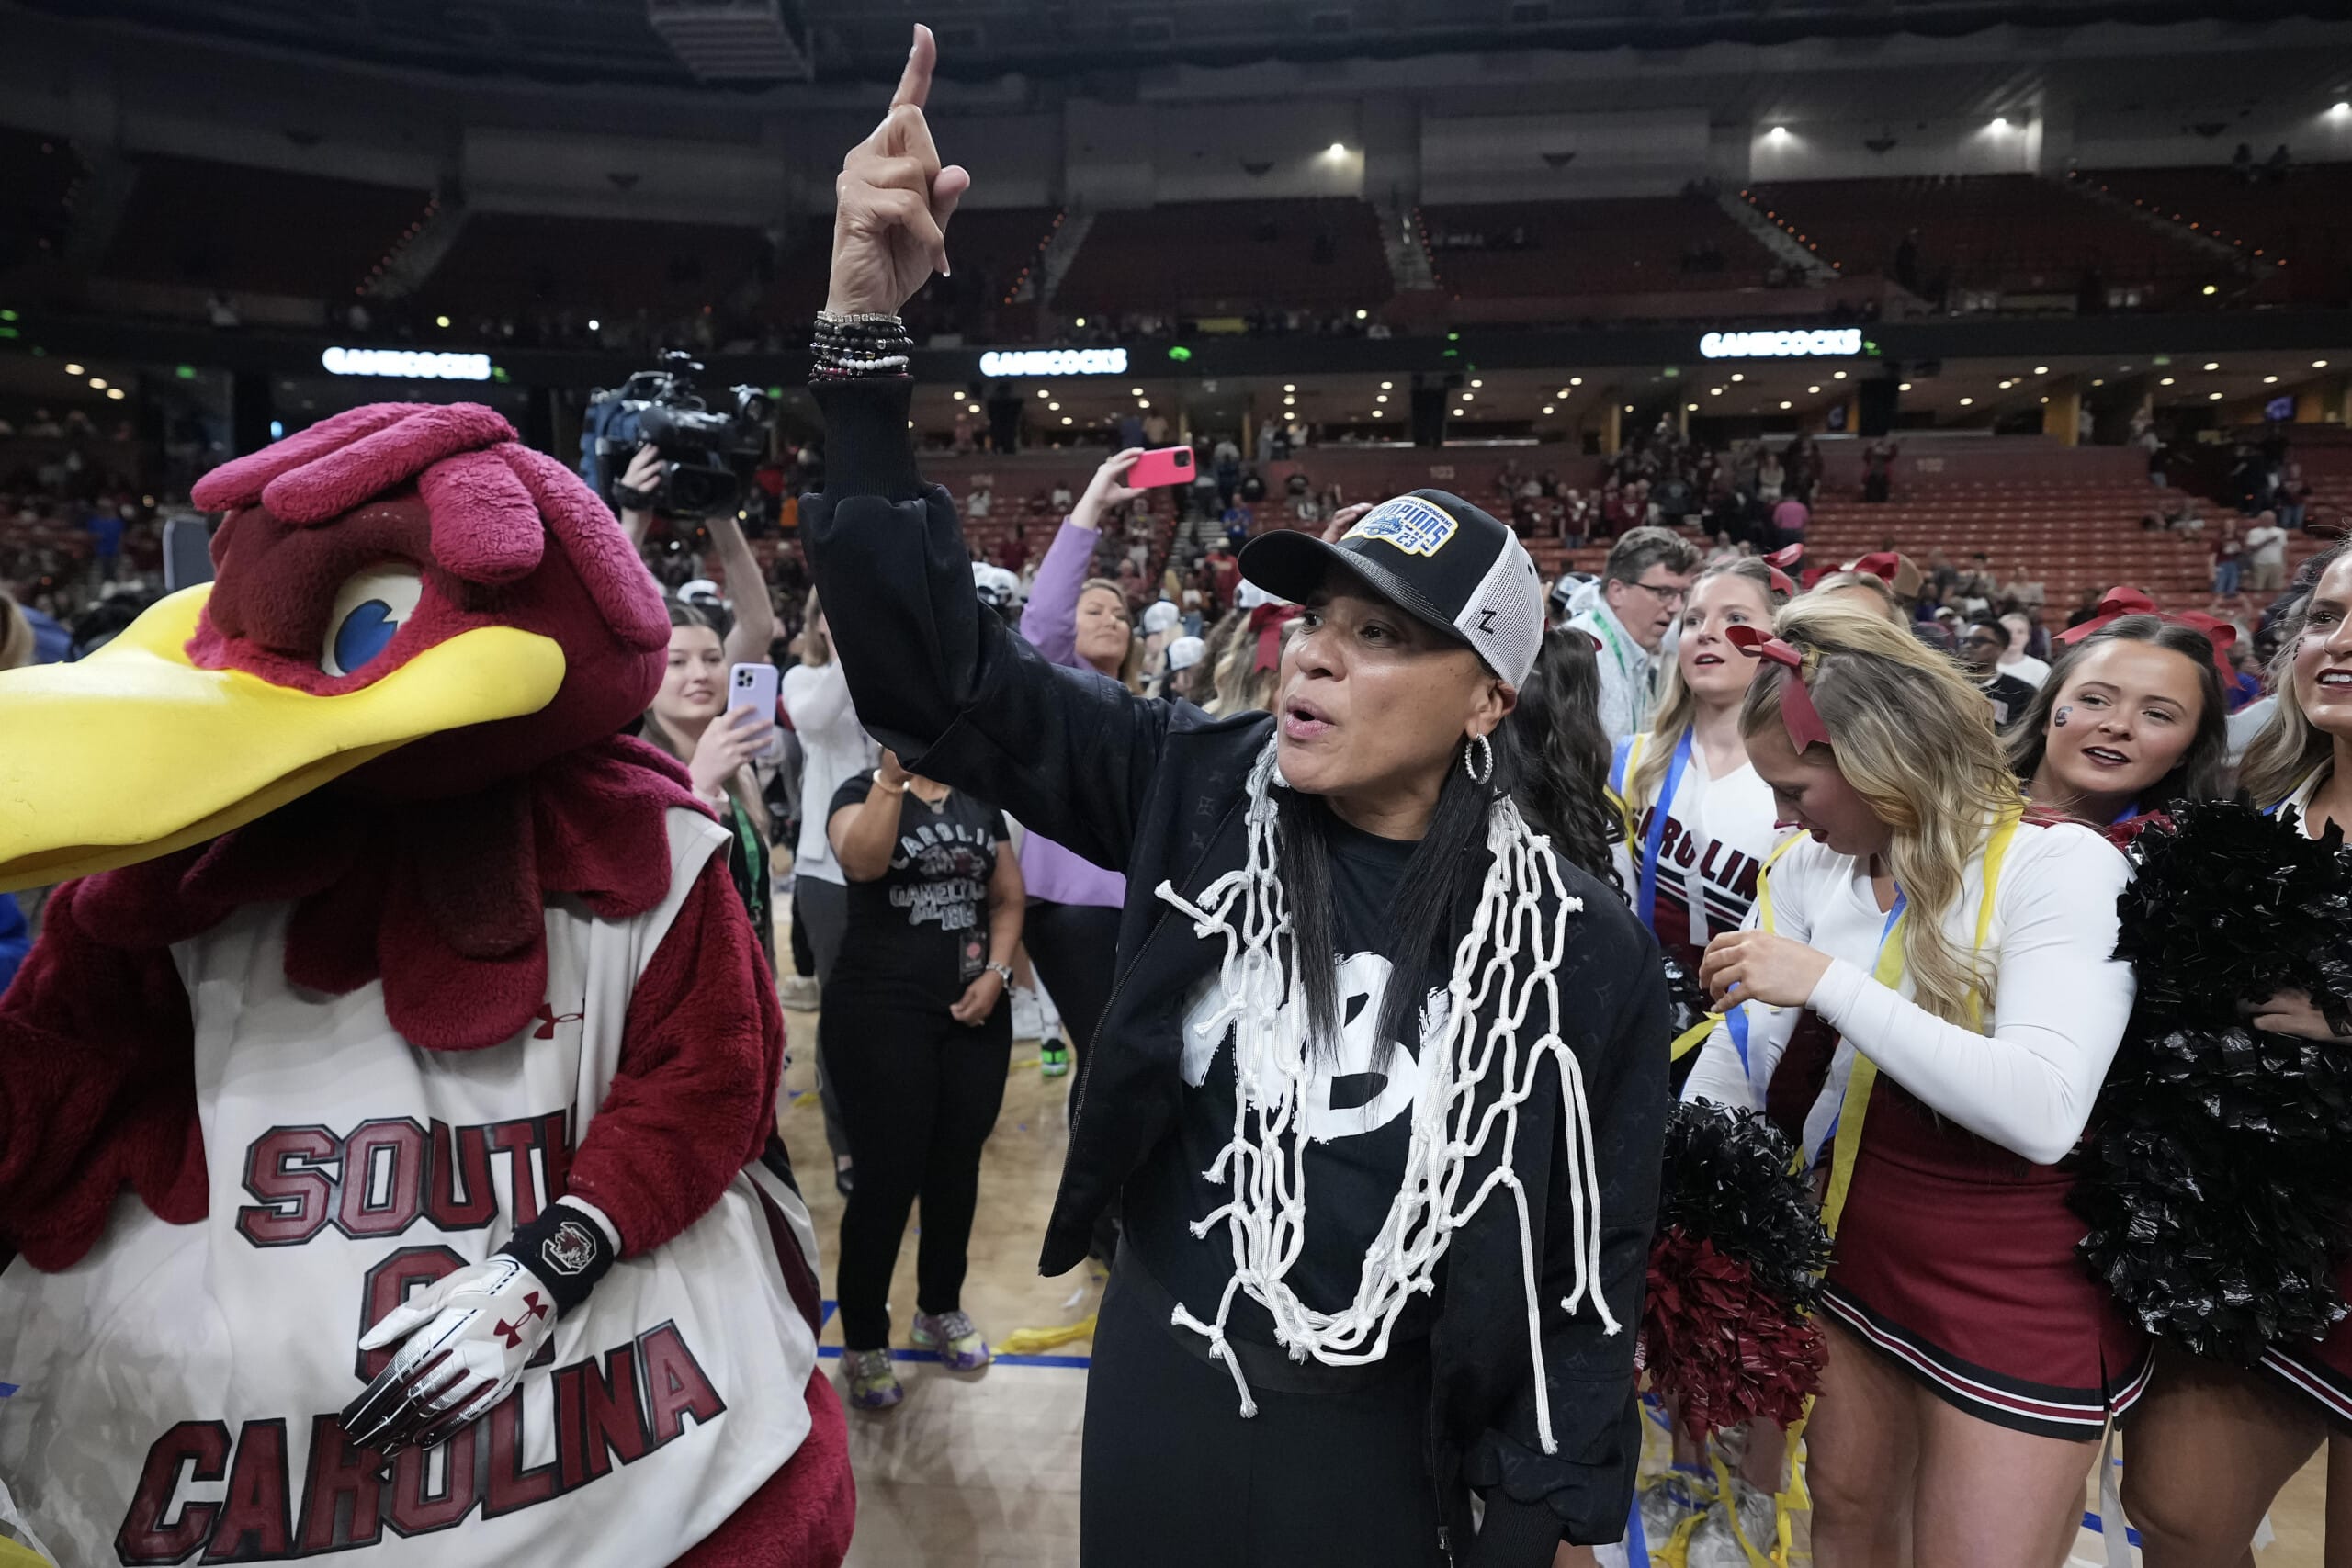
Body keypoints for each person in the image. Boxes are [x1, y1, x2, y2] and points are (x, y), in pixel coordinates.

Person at [804, 34, 1664, 1561]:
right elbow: (932, 678)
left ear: (1489, 698)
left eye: (1383, 636)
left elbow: (1581, 1281)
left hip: (1392, 1432)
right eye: (1316, 622)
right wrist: (865, 333)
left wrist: (1554, 1522)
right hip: (1167, 1375)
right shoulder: (1195, 786)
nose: (1317, 662)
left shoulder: (1581, 948)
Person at [1680, 598, 2140, 1568]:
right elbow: (1744, 1055)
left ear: (1880, 757)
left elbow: (2044, 1109)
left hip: (2019, 1282)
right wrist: (1689, 1200)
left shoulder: (2061, 866)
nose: (1780, 819)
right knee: (1845, 1526)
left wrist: (1829, 985)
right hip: (1856, 1254)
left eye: (1798, 791)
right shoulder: (1816, 867)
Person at [2116, 538, 2352, 1564]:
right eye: (2327, 617)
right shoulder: (2260, 797)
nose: (2337, 644)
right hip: (2252, 1227)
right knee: (2176, 1507)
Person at [823, 748, 1023, 1411]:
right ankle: (862, 1337)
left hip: (972, 1015)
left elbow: (1006, 897)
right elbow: (862, 862)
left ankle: (939, 1304)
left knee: (955, 1167)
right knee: (886, 1178)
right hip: (879, 1012)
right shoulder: (859, 789)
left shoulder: (976, 795)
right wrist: (891, 777)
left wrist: (997, 974)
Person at [1019, 450, 1144, 1098]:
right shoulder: (1059, 690)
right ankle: (1099, 1198)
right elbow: (1040, 623)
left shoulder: (1148, 708)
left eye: (1121, 615)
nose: (1111, 621)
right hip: (1071, 908)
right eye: (1095, 610)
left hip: (1137, 905)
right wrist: (1091, 507)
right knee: (1105, 1061)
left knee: (1122, 1065)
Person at [782, 589, 881, 1191]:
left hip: (901, 860)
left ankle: (892, 1129)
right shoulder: (804, 677)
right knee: (843, 1011)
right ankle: (846, 1144)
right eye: (833, 611)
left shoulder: (899, 675)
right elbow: (814, 718)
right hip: (827, 871)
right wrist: (856, 645)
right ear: (818, 623)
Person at [640, 604, 779, 968]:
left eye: (713, 659)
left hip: (747, 973)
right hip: (680, 980)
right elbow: (648, 892)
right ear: (646, 682)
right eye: (678, 662)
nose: (700, 674)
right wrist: (700, 782)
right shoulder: (632, 777)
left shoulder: (740, 772)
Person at [2006, 615, 2229, 830]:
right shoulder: (1971, 812)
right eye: (2094, 700)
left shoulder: (2203, 863)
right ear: (2047, 712)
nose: (2119, 725)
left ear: (2189, 749)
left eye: (2157, 714)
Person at [1568, 525, 1703, 744]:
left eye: (1682, 594)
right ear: (1617, 592)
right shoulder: (1583, 652)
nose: (1676, 607)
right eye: (1664, 593)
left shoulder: (1631, 648)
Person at [1959, 615, 2038, 727]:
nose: (1968, 646)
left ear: (2001, 648)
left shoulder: (2022, 693)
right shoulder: (1947, 685)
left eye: (1978, 642)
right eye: (1964, 640)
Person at [1998, 610, 2052, 687]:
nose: (2014, 637)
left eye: (2020, 632)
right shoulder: (1984, 668)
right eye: (2008, 631)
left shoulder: (2041, 669)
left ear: (2028, 637)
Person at [2245, 510, 2290, 595]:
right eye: (2266, 519)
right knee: (2258, 588)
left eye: (2271, 519)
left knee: (2276, 589)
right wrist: (2267, 541)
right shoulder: (2254, 532)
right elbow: (2251, 548)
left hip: (2277, 564)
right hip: (2259, 564)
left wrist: (2284, 563)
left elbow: (2285, 548)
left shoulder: (2280, 532)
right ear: (2261, 520)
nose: (2269, 521)